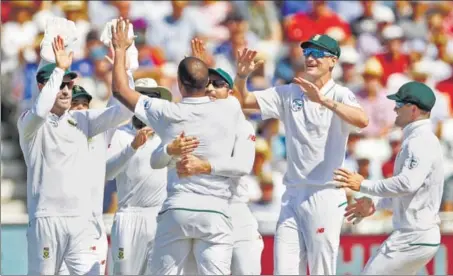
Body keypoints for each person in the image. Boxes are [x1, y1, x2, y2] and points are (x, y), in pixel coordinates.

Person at [110, 18, 244, 275]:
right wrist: (203, 66)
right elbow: (221, 93)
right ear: (207, 84)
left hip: (178, 209)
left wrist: (120, 50)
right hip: (215, 211)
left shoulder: (168, 113)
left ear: (179, 85)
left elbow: (120, 90)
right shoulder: (230, 108)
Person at [233, 34, 369, 275]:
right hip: (293, 194)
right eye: (307, 53)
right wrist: (242, 77)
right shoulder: (289, 93)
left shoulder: (340, 94)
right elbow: (243, 101)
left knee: (321, 271)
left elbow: (362, 120)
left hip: (325, 194)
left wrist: (323, 100)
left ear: (333, 61)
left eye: (317, 54)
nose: (310, 58)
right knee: (282, 270)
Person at [17, 36, 133, 275]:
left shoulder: (83, 120)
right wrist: (59, 69)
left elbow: (123, 111)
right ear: (42, 87)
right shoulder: (30, 123)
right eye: (60, 84)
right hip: (46, 219)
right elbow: (41, 109)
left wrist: (122, 63)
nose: (66, 90)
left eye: (69, 85)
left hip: (82, 224)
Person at [151, 60, 263, 274]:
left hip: (235, 210)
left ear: (231, 93)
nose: (210, 88)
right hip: (204, 210)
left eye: (218, 84)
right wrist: (168, 151)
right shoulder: (193, 117)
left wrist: (204, 166)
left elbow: (242, 165)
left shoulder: (242, 124)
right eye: (207, 83)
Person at [335, 81, 444, 275]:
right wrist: (376, 203)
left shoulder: (421, 140)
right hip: (418, 235)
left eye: (399, 105)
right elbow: (409, 193)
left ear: (413, 110)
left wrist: (363, 185)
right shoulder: (417, 138)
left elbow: (407, 184)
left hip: (413, 236)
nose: (394, 108)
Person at [105, 78, 172, 275]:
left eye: (152, 98)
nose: (147, 104)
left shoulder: (167, 135)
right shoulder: (121, 135)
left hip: (160, 217)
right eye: (142, 98)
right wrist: (133, 147)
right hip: (129, 216)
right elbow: (108, 173)